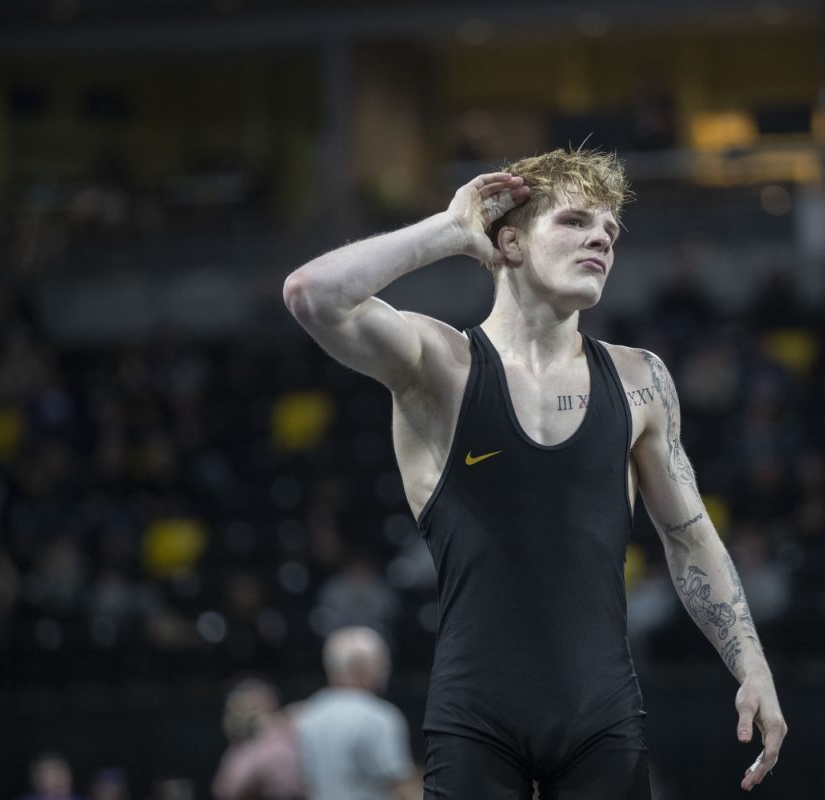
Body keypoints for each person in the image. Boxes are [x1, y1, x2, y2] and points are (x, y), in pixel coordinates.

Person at [284, 148, 787, 797]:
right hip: (476, 720)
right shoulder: (442, 364)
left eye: (609, 229)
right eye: (576, 221)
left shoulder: (640, 380)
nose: (601, 238)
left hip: (602, 714)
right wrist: (449, 229)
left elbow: (689, 536)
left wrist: (752, 664)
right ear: (510, 243)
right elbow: (311, 295)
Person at [294, 626, 419, 800]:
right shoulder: (379, 716)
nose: (386, 671)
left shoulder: (309, 713)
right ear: (362, 667)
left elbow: (304, 782)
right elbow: (399, 786)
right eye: (382, 663)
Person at [211, 678, 303, 800]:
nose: (238, 717)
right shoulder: (245, 743)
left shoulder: (287, 729)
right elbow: (225, 789)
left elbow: (230, 788)